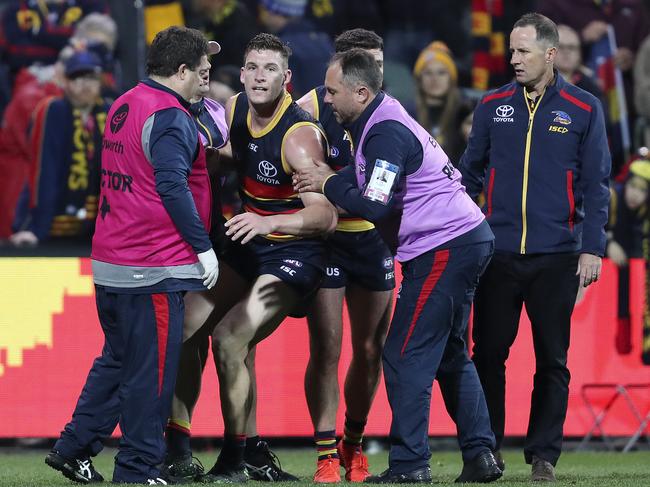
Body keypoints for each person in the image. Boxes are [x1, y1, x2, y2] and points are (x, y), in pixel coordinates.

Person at [293, 48, 502, 484]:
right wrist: (334, 178)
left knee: (403, 353)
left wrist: (327, 182)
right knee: (449, 355)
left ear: (361, 92)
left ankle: (410, 465)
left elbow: (373, 203)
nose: (326, 100)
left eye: (332, 92)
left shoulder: (384, 132)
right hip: (462, 240)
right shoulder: (382, 120)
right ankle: (481, 454)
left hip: (445, 247)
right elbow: (369, 179)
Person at [44, 26, 220, 484]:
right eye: (201, 68)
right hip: (153, 268)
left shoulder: (125, 102)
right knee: (152, 375)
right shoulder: (170, 117)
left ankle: (74, 447)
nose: (208, 73)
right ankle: (138, 468)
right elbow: (170, 185)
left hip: (112, 261)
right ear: (180, 71)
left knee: (119, 362)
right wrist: (203, 248)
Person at [167, 33, 338, 484]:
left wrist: (266, 224)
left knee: (228, 340)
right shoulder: (234, 108)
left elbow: (325, 216)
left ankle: (235, 458)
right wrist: (193, 152)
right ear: (241, 74)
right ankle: (179, 449)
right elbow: (231, 159)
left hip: (293, 255)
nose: (260, 76)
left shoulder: (299, 136)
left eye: (270, 69)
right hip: (248, 245)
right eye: (253, 67)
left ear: (287, 79)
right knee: (184, 329)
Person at [459, 12, 611, 482]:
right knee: (487, 356)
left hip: (557, 255)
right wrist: (462, 230)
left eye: (523, 51)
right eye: (511, 49)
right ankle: (488, 451)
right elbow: (468, 174)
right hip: (497, 254)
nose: (514, 59)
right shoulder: (492, 105)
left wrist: (592, 248)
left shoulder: (585, 108)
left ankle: (544, 455)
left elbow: (597, 183)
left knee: (553, 360)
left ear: (550, 54)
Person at [294, 28, 394, 484]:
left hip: (372, 239)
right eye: (362, 65)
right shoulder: (313, 107)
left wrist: (330, 179)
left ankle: (354, 443)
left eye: (377, 64)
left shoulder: (388, 112)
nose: (372, 75)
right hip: (330, 239)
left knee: (371, 351)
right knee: (327, 348)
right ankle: (325, 453)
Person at [10, 49, 111, 247]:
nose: (85, 85)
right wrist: (37, 228)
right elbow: (44, 170)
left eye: (91, 78)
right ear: (65, 82)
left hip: (95, 229)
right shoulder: (53, 110)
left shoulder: (109, 111)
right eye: (77, 78)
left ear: (101, 81)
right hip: (54, 224)